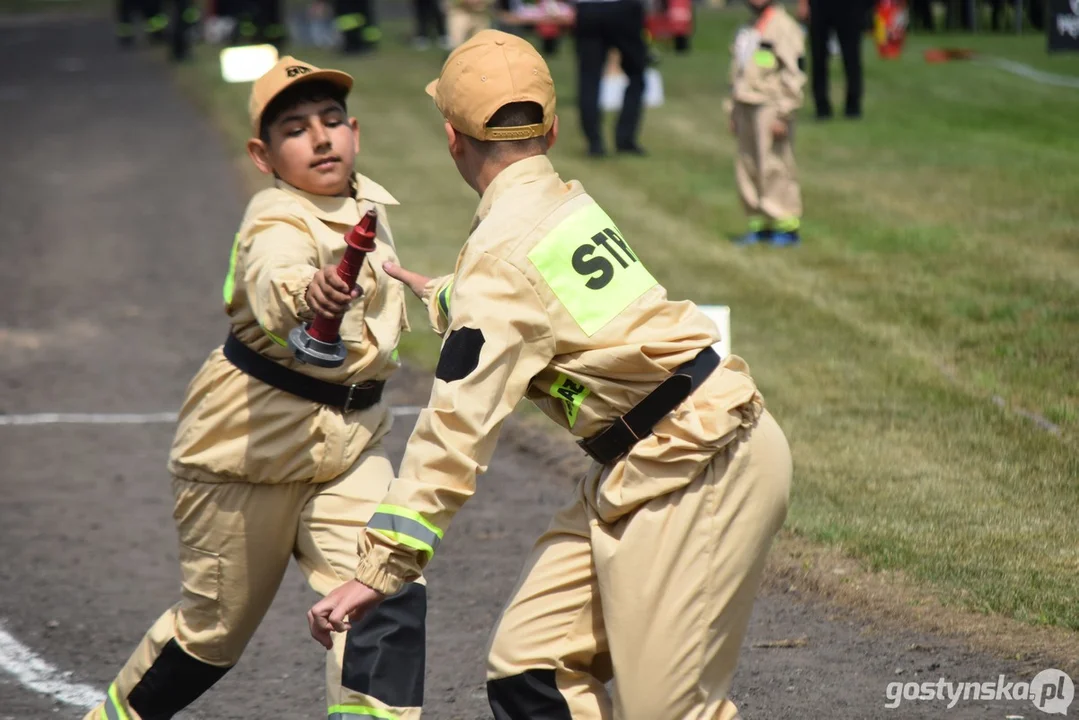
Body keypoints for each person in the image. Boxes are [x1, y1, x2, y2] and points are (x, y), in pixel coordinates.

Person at [308, 30, 793, 720]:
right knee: (530, 669)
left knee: (670, 712)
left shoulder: (500, 255)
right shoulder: (557, 202)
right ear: (554, 129)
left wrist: (378, 570)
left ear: (452, 138)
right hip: (662, 454)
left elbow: (455, 429)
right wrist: (450, 297)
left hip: (698, 463)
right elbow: (556, 309)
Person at [83, 57, 426, 720]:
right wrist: (310, 293)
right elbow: (275, 278)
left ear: (355, 130)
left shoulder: (367, 208)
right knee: (210, 637)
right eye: (295, 129)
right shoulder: (273, 217)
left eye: (331, 122)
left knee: (385, 592)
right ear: (262, 155)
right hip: (245, 457)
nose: (321, 138)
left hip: (350, 450)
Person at [726, 0, 806, 246]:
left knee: (774, 164)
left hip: (770, 104)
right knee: (748, 164)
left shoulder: (784, 27)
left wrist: (784, 112)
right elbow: (738, 69)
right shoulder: (749, 28)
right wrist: (732, 109)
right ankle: (757, 222)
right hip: (745, 103)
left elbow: (794, 73)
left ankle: (785, 224)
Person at [574, 0, 649, 156]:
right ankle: (625, 138)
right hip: (623, 8)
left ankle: (594, 143)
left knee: (589, 78)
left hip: (588, 9)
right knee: (636, 75)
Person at [801, 0, 865, 118]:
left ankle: (853, 106)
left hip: (849, 6)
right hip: (820, 5)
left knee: (852, 57)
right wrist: (804, 4)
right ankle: (821, 107)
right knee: (818, 57)